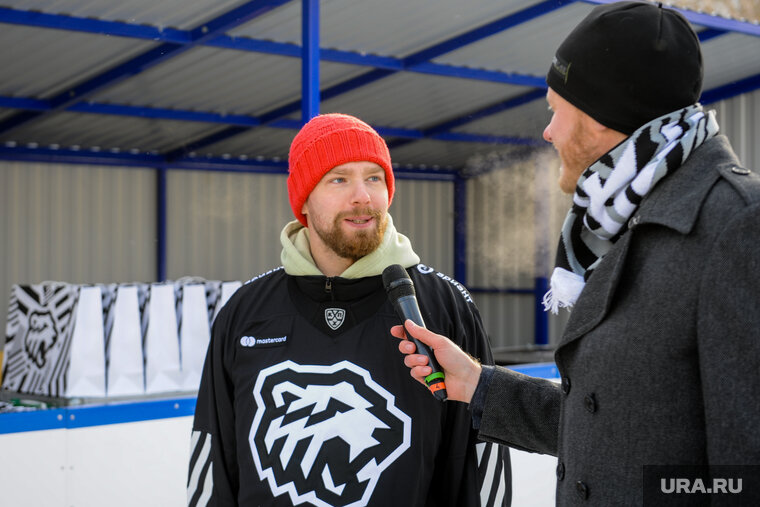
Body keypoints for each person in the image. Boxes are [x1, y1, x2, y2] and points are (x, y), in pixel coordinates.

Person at [393, 1, 760, 504]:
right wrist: (479, 384)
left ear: (602, 115)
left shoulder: (739, 227)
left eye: (555, 109)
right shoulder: (618, 223)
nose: (548, 131)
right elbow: (608, 424)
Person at [187, 113, 510, 506]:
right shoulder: (245, 312)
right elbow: (213, 458)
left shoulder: (443, 305)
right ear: (304, 198)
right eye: (339, 179)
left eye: (374, 177)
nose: (363, 196)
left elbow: (479, 458)